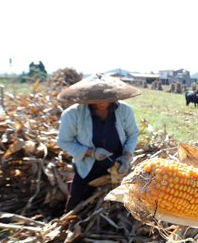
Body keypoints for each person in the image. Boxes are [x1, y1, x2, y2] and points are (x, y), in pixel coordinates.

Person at [56, 73, 140, 212]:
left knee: (121, 207)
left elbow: (132, 135)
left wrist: (126, 158)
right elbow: (64, 141)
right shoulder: (73, 114)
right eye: (97, 99)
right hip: (87, 167)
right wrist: (91, 152)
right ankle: (71, 223)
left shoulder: (124, 110)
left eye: (107, 99)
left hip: (118, 166)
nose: (102, 103)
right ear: (88, 97)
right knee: (76, 207)